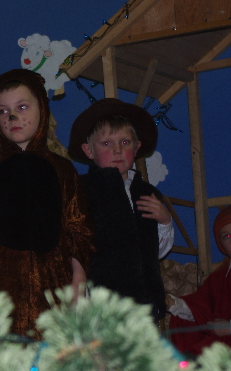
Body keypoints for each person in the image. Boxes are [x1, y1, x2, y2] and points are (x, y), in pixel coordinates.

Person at [0, 69, 94, 337]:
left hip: (54, 290)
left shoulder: (63, 169)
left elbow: (79, 230)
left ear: (41, 108)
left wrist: (78, 284)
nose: (12, 117)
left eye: (22, 107)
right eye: (3, 111)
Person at [68, 98, 174, 321]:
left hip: (144, 305)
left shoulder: (147, 193)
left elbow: (154, 253)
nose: (117, 150)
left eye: (125, 142)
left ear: (137, 147)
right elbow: (73, 245)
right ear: (89, 150)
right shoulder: (82, 191)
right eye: (107, 143)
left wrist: (165, 221)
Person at [167, 205, 231, 356]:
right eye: (226, 236)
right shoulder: (218, 279)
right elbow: (200, 311)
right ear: (220, 244)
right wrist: (171, 303)